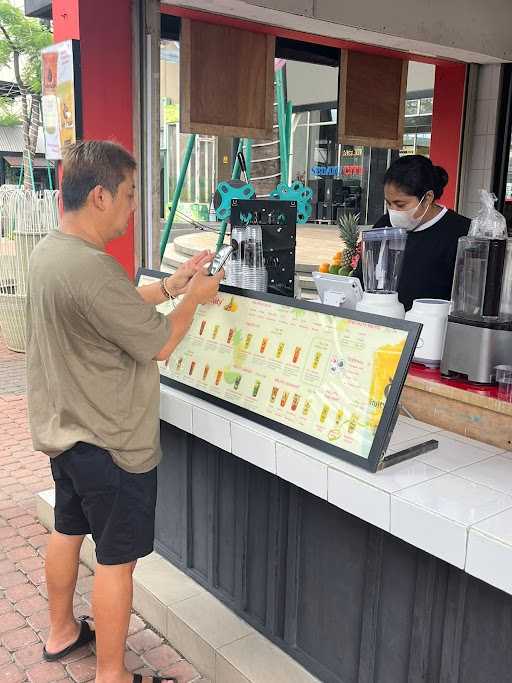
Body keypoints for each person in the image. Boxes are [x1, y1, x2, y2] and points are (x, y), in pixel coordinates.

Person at [26, 140, 224, 683]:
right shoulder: (90, 268)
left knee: (67, 529)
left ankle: (61, 631)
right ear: (99, 196)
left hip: (66, 435)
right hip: (111, 443)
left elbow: (108, 307)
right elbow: (159, 344)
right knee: (117, 561)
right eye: (130, 195)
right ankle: (111, 676)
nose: (134, 206)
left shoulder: (51, 253)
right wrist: (194, 298)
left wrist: (171, 284)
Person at [354, 155, 470, 311]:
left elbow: (468, 299)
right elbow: (360, 279)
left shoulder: (460, 232)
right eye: (388, 203)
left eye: (400, 204)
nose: (393, 211)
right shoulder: (384, 225)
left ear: (428, 198)